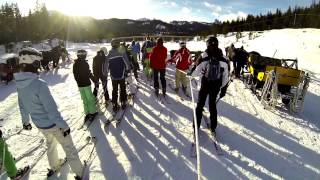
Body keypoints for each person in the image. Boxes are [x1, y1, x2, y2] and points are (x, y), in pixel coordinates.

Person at [14, 47, 83, 179]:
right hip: (53, 125)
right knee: (69, 147)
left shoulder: (20, 84)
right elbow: (51, 111)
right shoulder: (39, 84)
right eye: (38, 62)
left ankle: (54, 165)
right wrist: (63, 125)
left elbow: (22, 105)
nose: (39, 65)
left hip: (40, 125)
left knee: (51, 144)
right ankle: (79, 172)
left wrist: (26, 122)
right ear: (33, 63)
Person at [191, 36, 229, 136]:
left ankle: (196, 126)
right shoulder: (223, 58)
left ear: (207, 44)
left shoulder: (203, 56)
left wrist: (191, 75)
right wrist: (223, 88)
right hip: (216, 85)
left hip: (205, 84)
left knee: (200, 105)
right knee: (212, 105)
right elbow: (226, 76)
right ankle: (213, 127)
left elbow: (196, 71)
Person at [103, 39, 130, 112]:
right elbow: (127, 62)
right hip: (121, 74)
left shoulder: (109, 55)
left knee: (114, 90)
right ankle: (123, 101)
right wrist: (128, 69)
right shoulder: (122, 53)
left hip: (113, 76)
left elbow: (106, 66)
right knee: (122, 88)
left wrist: (105, 73)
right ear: (118, 45)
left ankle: (114, 103)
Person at [73, 49, 98, 122]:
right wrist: (95, 80)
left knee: (84, 99)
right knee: (90, 99)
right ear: (83, 55)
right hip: (86, 84)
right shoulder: (84, 63)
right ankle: (92, 112)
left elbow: (75, 75)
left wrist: (78, 82)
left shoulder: (75, 64)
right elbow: (88, 73)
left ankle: (87, 112)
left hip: (80, 85)